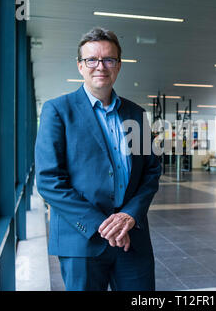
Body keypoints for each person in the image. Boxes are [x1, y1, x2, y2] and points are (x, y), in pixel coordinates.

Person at [35, 27, 161, 291]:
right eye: (92, 59)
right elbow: (48, 180)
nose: (100, 66)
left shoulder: (136, 115)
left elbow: (150, 172)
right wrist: (102, 226)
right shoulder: (58, 110)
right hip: (82, 239)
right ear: (80, 66)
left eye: (108, 59)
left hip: (132, 237)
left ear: (118, 65)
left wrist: (129, 215)